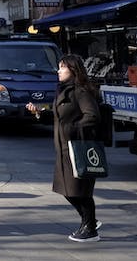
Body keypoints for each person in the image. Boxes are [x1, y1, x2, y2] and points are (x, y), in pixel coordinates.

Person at [29, 54, 102, 243]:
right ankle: (90, 221)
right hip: (63, 149)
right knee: (66, 189)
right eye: (59, 67)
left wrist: (72, 128)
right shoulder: (63, 90)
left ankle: (90, 227)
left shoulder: (80, 91)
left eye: (62, 68)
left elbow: (92, 116)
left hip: (77, 147)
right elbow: (58, 116)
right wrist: (39, 112)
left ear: (73, 70)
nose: (58, 71)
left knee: (79, 190)